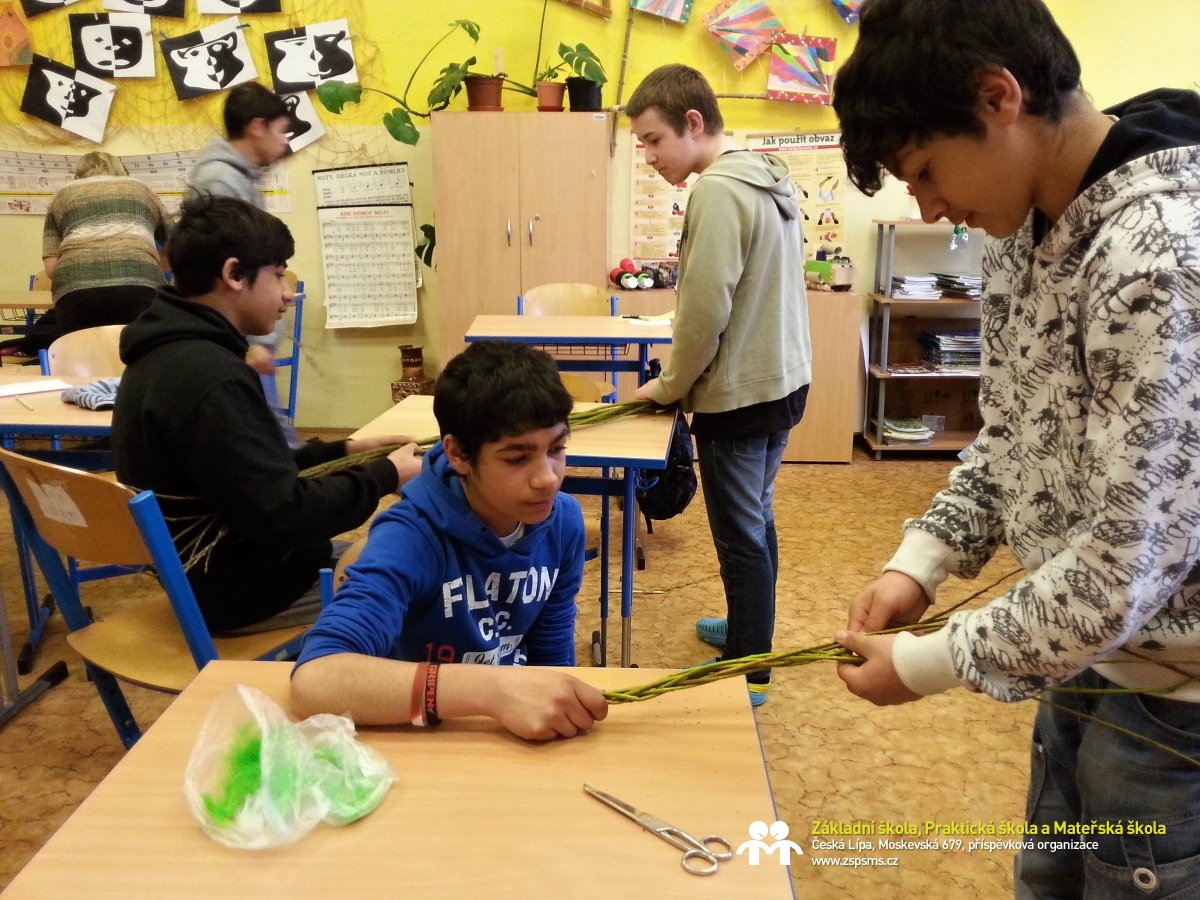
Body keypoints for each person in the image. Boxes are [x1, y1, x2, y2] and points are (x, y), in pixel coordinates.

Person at [830, 1, 1200, 895]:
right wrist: (921, 563)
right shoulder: (1018, 227)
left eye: (925, 171)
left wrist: (929, 662)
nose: (930, 204)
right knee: (1053, 876)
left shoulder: (1158, 259)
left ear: (999, 97)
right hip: (1074, 648)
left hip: (1178, 694)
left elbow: (1129, 564)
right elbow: (1013, 432)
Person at [112, 195, 421, 633]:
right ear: (234, 274)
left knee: (405, 559)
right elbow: (286, 515)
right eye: (278, 274)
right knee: (428, 586)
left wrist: (347, 450)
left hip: (216, 579)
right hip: (246, 594)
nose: (288, 294)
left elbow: (251, 475)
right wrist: (385, 475)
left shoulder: (169, 355)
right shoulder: (209, 377)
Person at [291, 341, 608, 742]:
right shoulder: (411, 535)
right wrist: (492, 691)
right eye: (516, 458)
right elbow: (315, 680)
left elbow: (552, 642)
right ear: (458, 454)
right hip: (424, 736)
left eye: (557, 449)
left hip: (508, 732)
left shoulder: (563, 521)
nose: (547, 478)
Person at [626, 64, 812, 707]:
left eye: (653, 140)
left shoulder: (717, 191)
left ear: (693, 122)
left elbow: (706, 312)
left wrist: (669, 386)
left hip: (742, 393)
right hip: (783, 379)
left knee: (740, 532)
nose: (649, 157)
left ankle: (750, 668)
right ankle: (748, 630)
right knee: (757, 516)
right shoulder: (765, 177)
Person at [187, 81, 292, 395]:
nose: (284, 141)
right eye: (281, 130)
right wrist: (254, 343)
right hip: (238, 340)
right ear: (257, 127)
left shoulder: (238, 177)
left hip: (244, 337)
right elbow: (229, 270)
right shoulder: (220, 181)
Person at [41, 151, 171, 335]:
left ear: (78, 174)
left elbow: (51, 269)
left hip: (75, 291)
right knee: (143, 350)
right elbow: (178, 250)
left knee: (81, 350)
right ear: (120, 171)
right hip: (140, 286)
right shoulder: (142, 189)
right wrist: (146, 259)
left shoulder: (61, 196)